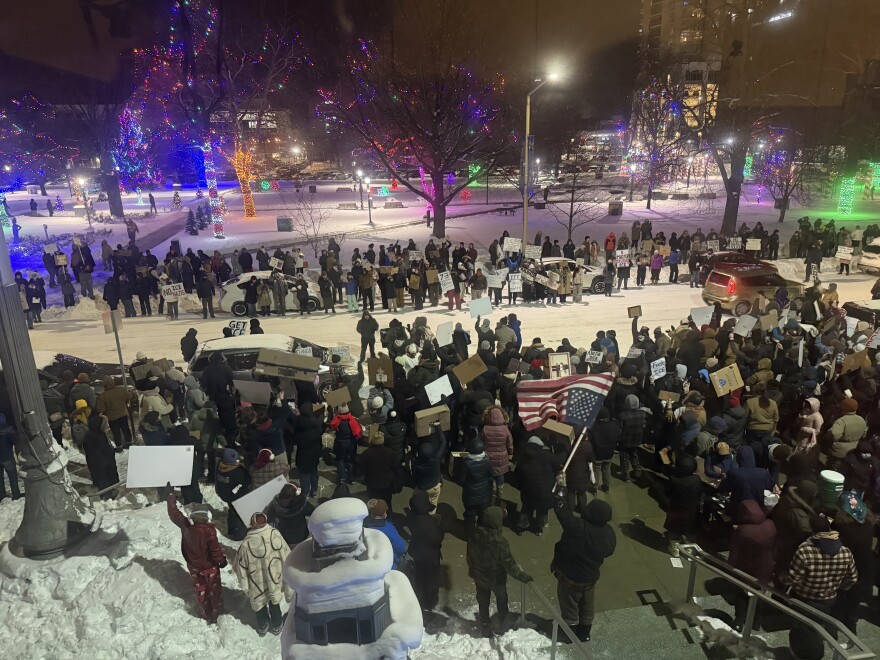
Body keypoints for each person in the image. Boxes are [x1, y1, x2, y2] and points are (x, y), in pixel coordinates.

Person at [552, 498, 616, 643]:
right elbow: (609, 551)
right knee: (587, 605)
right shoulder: (608, 533)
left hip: (571, 576)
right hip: (590, 577)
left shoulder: (581, 528)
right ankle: (584, 633)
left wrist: (559, 503)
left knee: (569, 604)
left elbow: (566, 518)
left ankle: (569, 634)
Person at [467, 506, 533, 637]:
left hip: (479, 577)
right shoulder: (500, 543)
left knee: (483, 601)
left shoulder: (474, 535)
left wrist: (472, 571)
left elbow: (469, 556)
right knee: (502, 601)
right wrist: (523, 577)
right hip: (497, 580)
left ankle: (485, 625)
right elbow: (510, 566)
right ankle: (504, 624)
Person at [166, 493, 227, 623]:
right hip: (210, 567)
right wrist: (221, 561)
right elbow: (215, 550)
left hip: (194, 567)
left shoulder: (185, 525)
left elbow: (174, 513)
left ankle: (206, 612)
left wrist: (171, 497)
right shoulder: (209, 531)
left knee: (201, 589)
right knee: (214, 589)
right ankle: (218, 612)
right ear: (207, 518)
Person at [233, 512, 292, 636]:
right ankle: (277, 625)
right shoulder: (275, 534)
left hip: (257, 582)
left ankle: (263, 625)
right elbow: (286, 553)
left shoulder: (246, 544)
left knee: (259, 604)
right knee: (274, 601)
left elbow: (239, 567)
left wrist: (245, 585)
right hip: (274, 577)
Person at [405, 490, 444, 611]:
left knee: (420, 577)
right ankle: (430, 602)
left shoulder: (411, 517)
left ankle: (420, 600)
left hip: (417, 552)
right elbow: (437, 539)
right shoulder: (430, 523)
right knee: (431, 579)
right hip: (430, 556)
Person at [215, 449, 252, 541]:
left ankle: (231, 530)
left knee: (232, 510)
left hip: (225, 494)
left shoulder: (220, 467)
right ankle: (238, 533)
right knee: (237, 514)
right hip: (237, 497)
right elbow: (247, 481)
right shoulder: (237, 472)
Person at [264, 483, 315, 547]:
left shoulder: (275, 505)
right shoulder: (301, 504)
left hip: (285, 536)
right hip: (301, 535)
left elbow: (268, 519)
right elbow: (314, 511)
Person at [363, 498, 407, 569]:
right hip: (388, 564)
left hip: (371, 562)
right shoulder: (388, 529)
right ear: (383, 514)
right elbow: (401, 548)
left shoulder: (364, 524)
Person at [96, 376, 131, 449]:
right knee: (126, 429)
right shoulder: (121, 390)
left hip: (112, 418)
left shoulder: (103, 396)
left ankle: (119, 446)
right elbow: (128, 397)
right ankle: (129, 443)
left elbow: (100, 409)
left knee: (116, 432)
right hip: (123, 413)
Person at [0, 414, 21, 501]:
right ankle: (16, 494)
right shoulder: (8, 428)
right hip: (7, 456)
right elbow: (15, 440)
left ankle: (2, 495)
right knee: (12, 475)